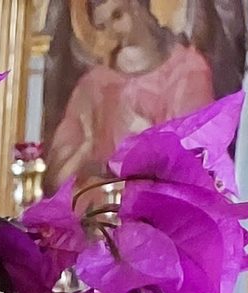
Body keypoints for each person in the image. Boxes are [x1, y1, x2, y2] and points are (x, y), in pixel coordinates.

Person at [44, 0, 216, 185]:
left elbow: (198, 163)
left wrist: (149, 136)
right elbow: (57, 178)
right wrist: (86, 149)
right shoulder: (94, 85)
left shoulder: (188, 71)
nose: (113, 31)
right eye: (103, 26)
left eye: (117, 16)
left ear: (137, 6)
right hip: (102, 199)